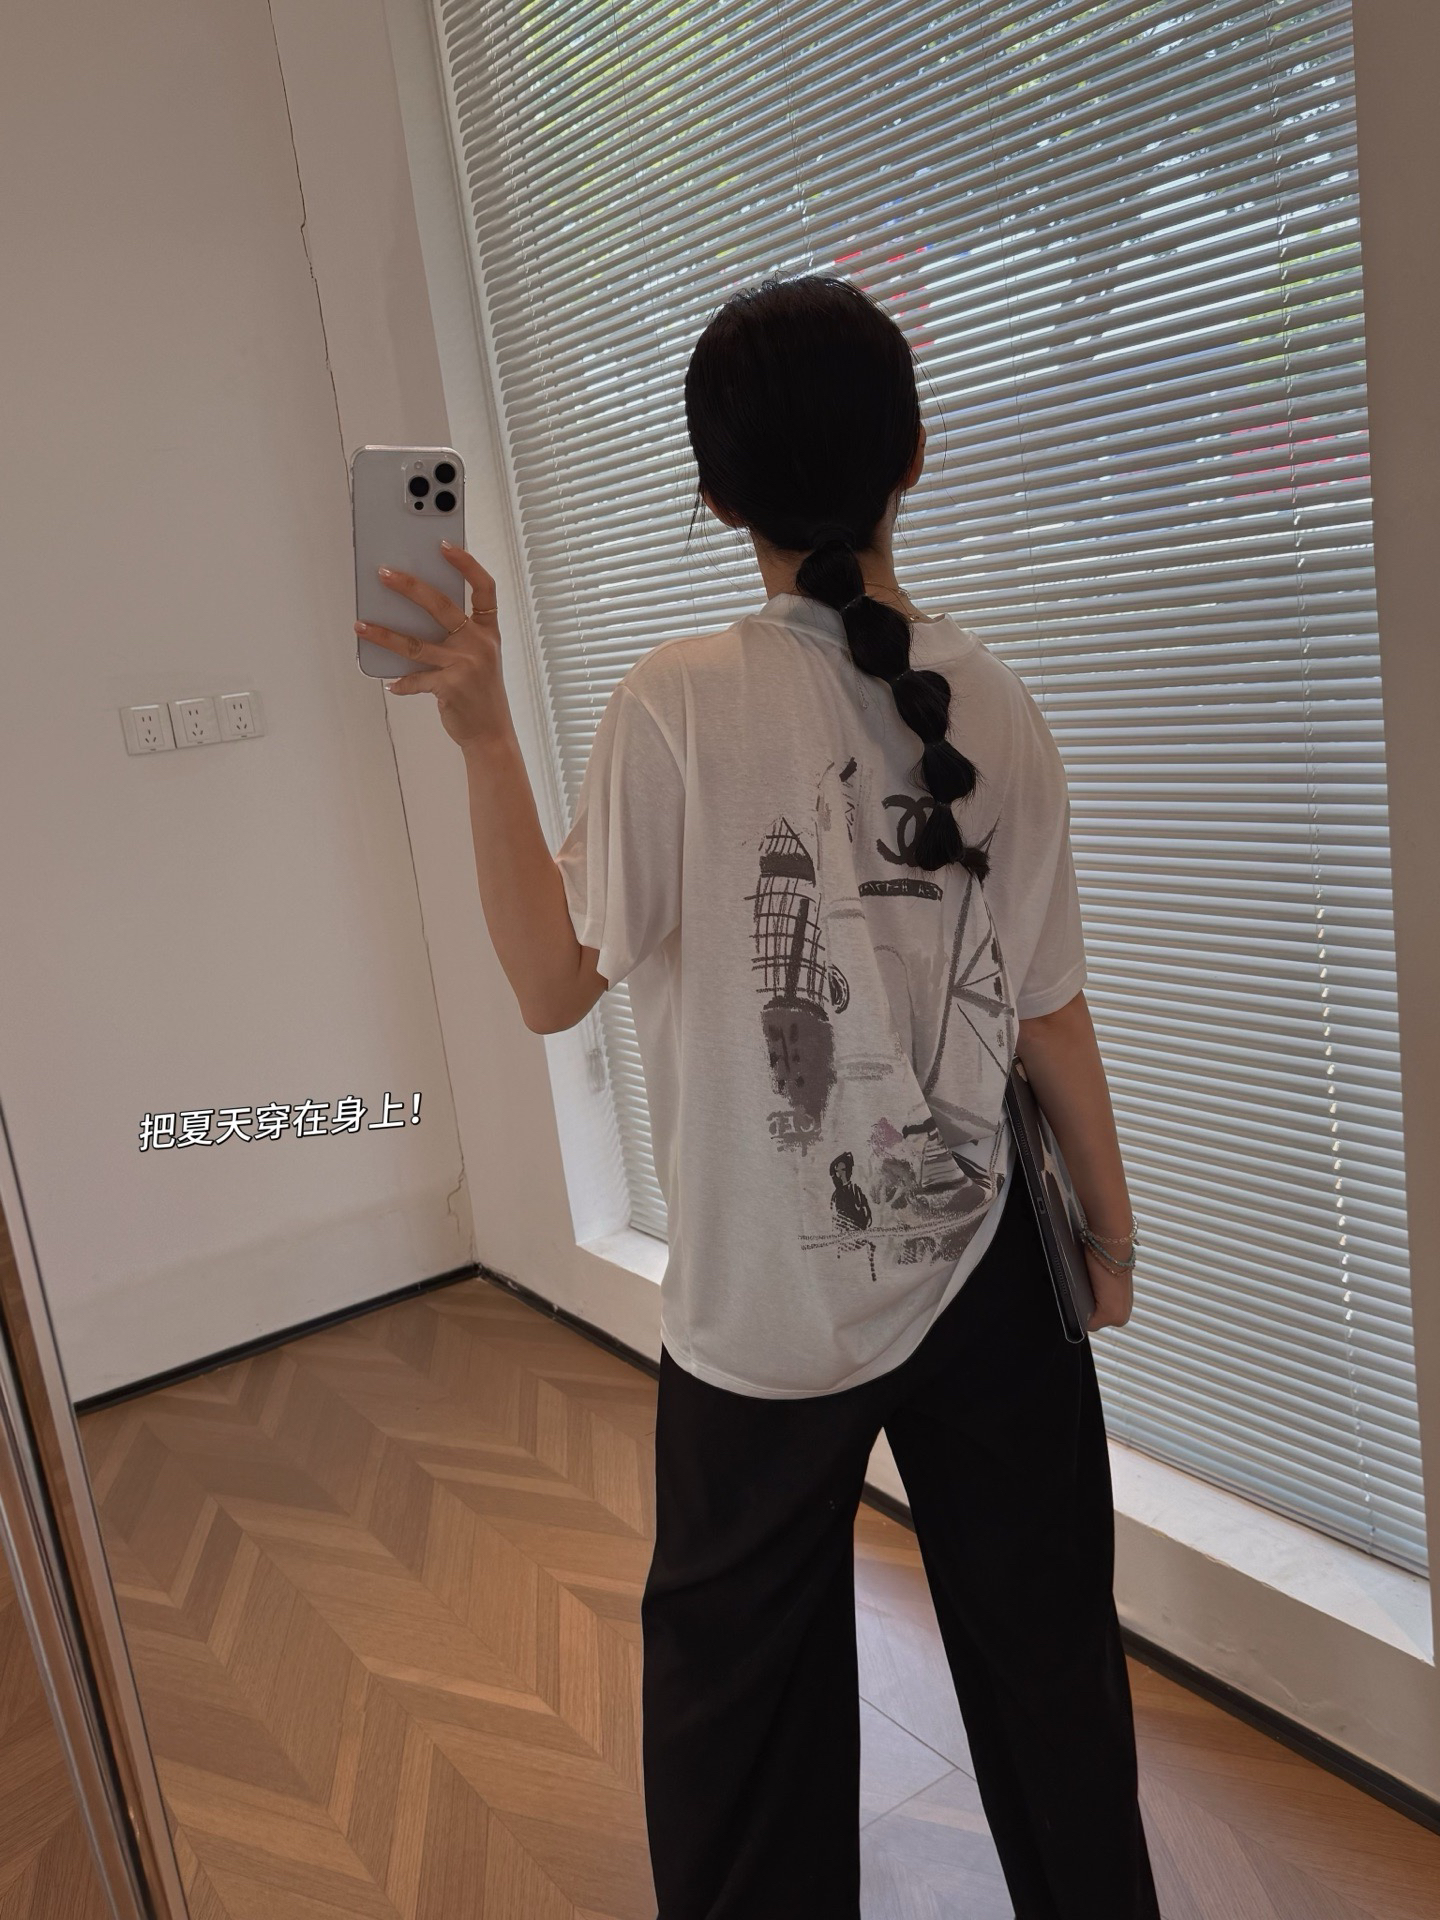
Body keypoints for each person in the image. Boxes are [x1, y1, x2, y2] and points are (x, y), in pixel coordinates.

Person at [355, 275, 1161, 1920]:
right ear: (913, 456)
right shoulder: (997, 700)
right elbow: (1051, 1017)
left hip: (760, 1305)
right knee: (1057, 1699)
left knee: (742, 1742)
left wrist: (482, 735)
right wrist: (1112, 1232)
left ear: (716, 496)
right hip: (992, 1283)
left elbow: (548, 987)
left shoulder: (674, 704)